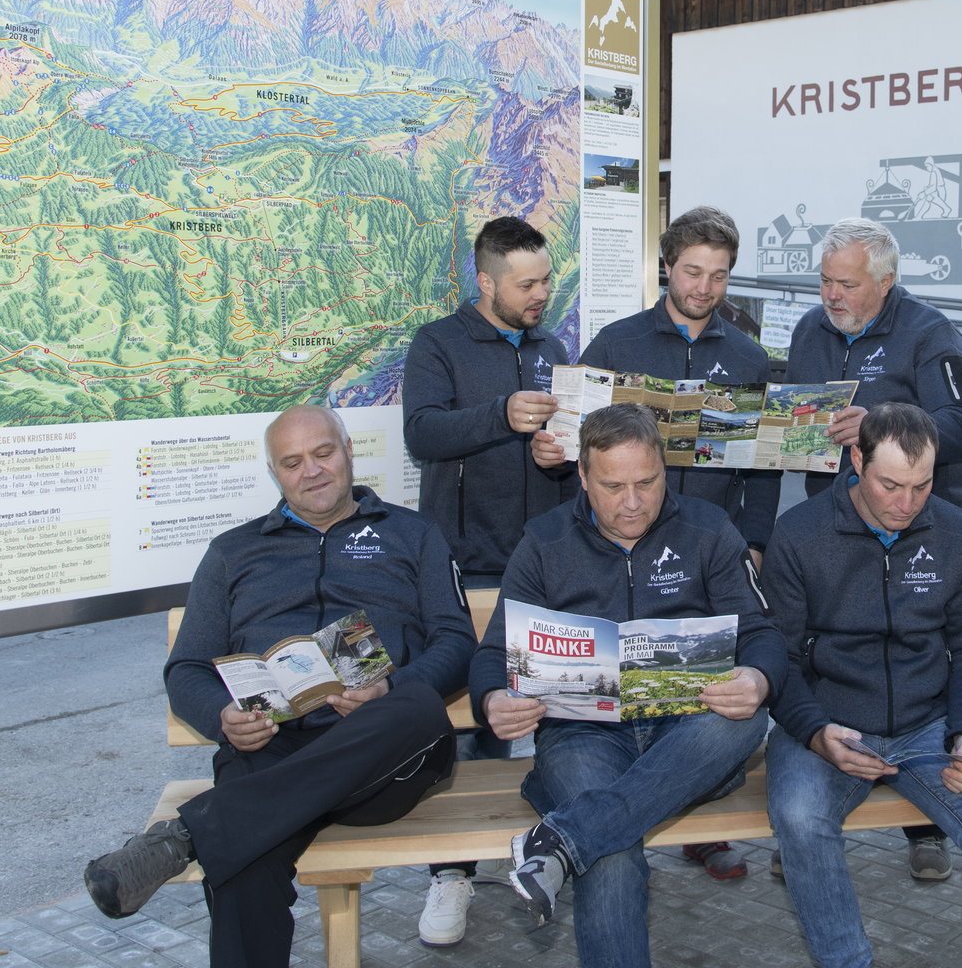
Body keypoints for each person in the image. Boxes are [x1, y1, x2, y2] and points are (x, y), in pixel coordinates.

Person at [81, 405, 474, 966]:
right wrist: (223, 716)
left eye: (323, 453)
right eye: (292, 463)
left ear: (348, 451)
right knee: (242, 865)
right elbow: (187, 668)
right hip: (272, 746)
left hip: (384, 751)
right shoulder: (233, 552)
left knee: (416, 707)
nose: (311, 471)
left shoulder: (413, 534)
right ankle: (213, 830)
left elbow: (456, 642)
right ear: (274, 473)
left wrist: (393, 687)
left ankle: (188, 835)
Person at [476, 404, 787, 968]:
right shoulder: (543, 542)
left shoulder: (709, 529)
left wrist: (758, 678)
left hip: (686, 732)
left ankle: (564, 836)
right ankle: (582, 832)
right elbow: (494, 652)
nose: (634, 502)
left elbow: (761, 632)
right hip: (582, 734)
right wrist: (492, 698)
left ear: (665, 469)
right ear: (582, 476)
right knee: (612, 853)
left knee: (746, 718)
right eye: (614, 486)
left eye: (647, 482)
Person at [764, 403, 962, 968]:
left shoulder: (955, 530)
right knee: (800, 819)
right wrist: (814, 732)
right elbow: (778, 658)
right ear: (856, 460)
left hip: (930, 726)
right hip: (828, 721)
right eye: (890, 485)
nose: (906, 504)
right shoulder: (798, 534)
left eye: (921, 486)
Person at [566, 205, 779, 880]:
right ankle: (634, 811)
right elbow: (579, 448)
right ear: (666, 267)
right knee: (636, 692)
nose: (704, 288)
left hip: (708, 553)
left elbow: (763, 466)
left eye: (719, 275)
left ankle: (692, 828)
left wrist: (754, 541)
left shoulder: (748, 356)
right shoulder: (616, 343)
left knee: (703, 691)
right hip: (625, 549)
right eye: (692, 272)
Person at [785, 216, 962, 878]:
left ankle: (927, 827)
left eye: (846, 284)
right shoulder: (809, 331)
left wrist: (881, 427)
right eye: (824, 281)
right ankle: (809, 825)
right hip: (833, 528)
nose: (831, 295)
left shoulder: (929, 333)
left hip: (915, 527)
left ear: (886, 282)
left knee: (916, 657)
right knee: (832, 656)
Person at [402, 215, 577, 940]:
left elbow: (567, 449)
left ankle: (556, 848)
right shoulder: (437, 343)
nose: (541, 295)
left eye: (546, 281)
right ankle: (451, 876)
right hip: (469, 562)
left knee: (557, 712)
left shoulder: (552, 349)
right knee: (475, 730)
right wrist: (501, 415)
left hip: (545, 565)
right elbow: (423, 434)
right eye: (526, 284)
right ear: (485, 282)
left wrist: (560, 457)